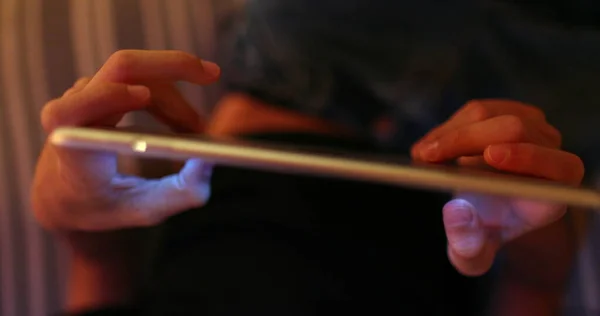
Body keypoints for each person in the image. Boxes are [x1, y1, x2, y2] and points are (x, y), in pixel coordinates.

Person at [31, 1, 593, 315]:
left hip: (302, 77)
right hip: (493, 133)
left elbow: (99, 260)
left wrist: (71, 199)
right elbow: (534, 290)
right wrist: (527, 203)